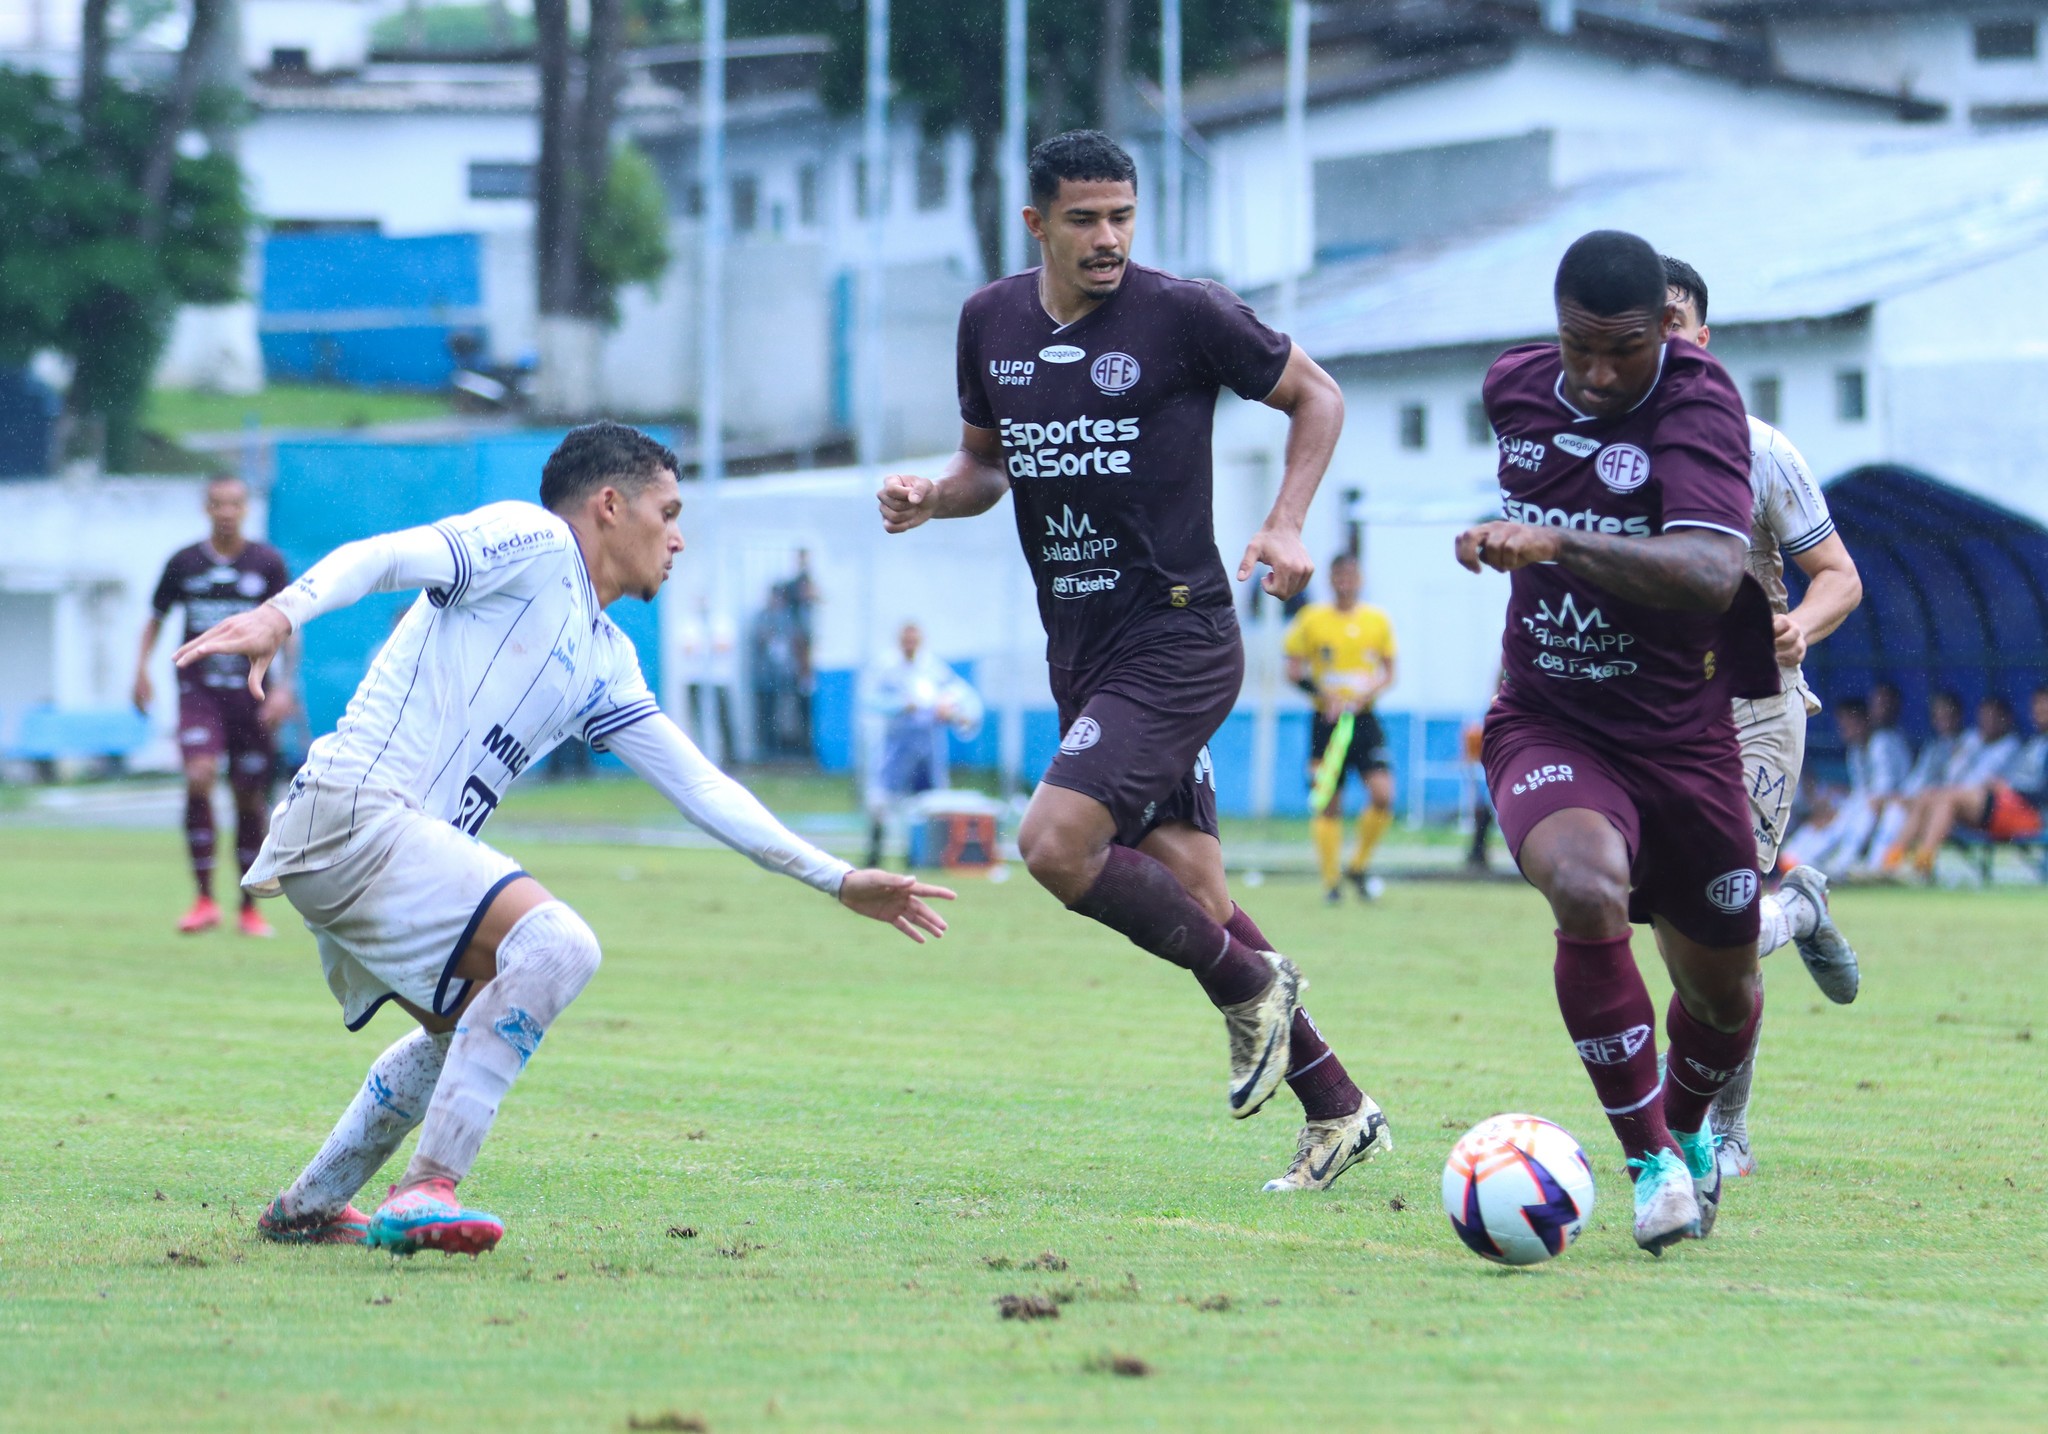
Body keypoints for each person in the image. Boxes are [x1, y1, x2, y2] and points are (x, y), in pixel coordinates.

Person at [174, 422, 952, 1255]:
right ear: (610, 505)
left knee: (464, 1029)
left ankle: (311, 1206)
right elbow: (384, 556)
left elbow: (700, 787)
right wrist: (281, 614)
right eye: (669, 513)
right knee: (557, 945)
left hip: (362, 847)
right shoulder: (535, 542)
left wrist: (837, 878)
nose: (679, 539)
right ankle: (427, 1187)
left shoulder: (606, 657)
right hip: (359, 811)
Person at [877, 130, 1389, 1193]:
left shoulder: (1185, 314)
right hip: (1082, 651)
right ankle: (1339, 1109)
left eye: (1121, 216)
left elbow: (1319, 396)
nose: (1107, 238)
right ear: (1036, 224)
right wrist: (932, 495)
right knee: (1194, 886)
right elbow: (984, 466)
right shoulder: (989, 322)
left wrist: (1286, 522)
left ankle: (1252, 991)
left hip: (1179, 637)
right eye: (1084, 219)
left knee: (1054, 846)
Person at [1457, 229, 1780, 1254]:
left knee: (1723, 998)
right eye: (1579, 348)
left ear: (1663, 334)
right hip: (1547, 717)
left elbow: (1708, 573)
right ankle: (1650, 1166)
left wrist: (1555, 541)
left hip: (1682, 736)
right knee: (1584, 883)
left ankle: (1683, 1130)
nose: (1597, 375)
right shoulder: (1512, 387)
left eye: (1624, 350)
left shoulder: (1699, 402)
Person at [1661, 257, 1865, 1178]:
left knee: (1724, 923)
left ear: (1703, 340)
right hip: (1653, 711)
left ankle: (1724, 1130)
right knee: (1680, 936)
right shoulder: (1599, 455)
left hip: (1756, 707)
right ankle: (1804, 906)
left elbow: (1840, 577)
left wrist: (1799, 625)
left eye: (1674, 323)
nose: (1658, 341)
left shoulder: (1760, 449)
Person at [134, 475, 295, 937]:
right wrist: (140, 670)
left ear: (245, 509)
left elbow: (289, 627)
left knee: (249, 795)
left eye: (234, 504)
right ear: (206, 508)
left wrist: (286, 687)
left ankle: (248, 908)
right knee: (199, 774)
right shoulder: (184, 562)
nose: (226, 512)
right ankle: (204, 900)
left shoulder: (267, 563)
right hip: (199, 690)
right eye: (218, 504)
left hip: (251, 692)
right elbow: (155, 618)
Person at [1283, 552, 1398, 902]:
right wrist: (1323, 695)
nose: (1346, 583)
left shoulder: (1376, 620)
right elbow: (1293, 670)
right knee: (1328, 801)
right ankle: (1331, 882)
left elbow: (1390, 672)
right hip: (1327, 722)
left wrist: (1368, 694)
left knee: (1383, 794)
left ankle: (1358, 866)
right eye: (1340, 577)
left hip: (1364, 720)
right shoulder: (1311, 619)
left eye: (1352, 576)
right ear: (1331, 580)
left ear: (1361, 580)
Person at [863, 622, 985, 867]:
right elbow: (871, 700)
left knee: (928, 801)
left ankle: (920, 855)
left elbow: (959, 696)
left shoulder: (932, 668)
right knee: (882, 799)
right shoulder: (886, 668)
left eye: (914, 640)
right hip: (896, 745)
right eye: (906, 640)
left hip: (927, 747)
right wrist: (901, 705)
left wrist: (959, 714)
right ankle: (874, 856)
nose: (910, 644)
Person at [1886, 691, 2038, 876]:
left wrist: (2002, 785)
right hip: (1982, 806)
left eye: (1993, 717)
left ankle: (1922, 865)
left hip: (2016, 810)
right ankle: (1891, 862)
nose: (1987, 723)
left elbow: (2016, 785)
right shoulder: (1975, 743)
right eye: (1984, 717)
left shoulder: (2012, 746)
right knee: (1928, 796)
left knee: (1947, 798)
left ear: (2006, 719)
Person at [1858, 689, 1963, 874]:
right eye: (1939, 716)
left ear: (1958, 716)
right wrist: (1905, 796)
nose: (1943, 720)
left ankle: (1885, 866)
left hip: (1947, 805)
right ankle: (1878, 864)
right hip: (1920, 801)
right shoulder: (1934, 746)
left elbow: (1957, 782)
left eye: (1948, 715)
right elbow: (1917, 778)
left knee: (1897, 812)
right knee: (1889, 807)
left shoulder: (1968, 742)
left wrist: (1910, 798)